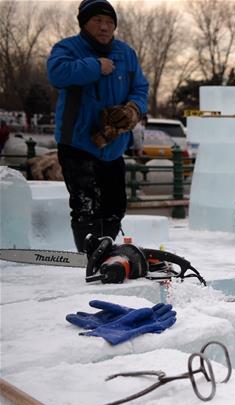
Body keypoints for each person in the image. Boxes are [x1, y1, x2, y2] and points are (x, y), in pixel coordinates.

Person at [47, 0, 148, 251]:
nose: (104, 27)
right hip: (77, 143)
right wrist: (95, 66)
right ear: (84, 23)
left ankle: (106, 251)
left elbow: (141, 88)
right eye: (97, 21)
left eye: (109, 22)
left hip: (113, 144)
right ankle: (89, 256)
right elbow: (56, 74)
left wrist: (134, 108)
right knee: (85, 206)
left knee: (115, 205)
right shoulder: (68, 48)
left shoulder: (126, 53)